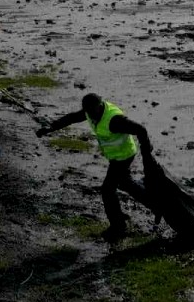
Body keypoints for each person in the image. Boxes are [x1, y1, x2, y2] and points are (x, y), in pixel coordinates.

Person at [36, 93, 154, 243]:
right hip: (116, 156)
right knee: (126, 183)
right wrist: (51, 127)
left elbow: (141, 130)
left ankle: (118, 226)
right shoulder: (90, 111)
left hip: (123, 156)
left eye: (92, 111)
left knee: (107, 190)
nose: (89, 115)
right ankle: (155, 205)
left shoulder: (114, 120)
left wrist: (146, 153)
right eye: (87, 112)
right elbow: (72, 118)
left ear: (99, 106)